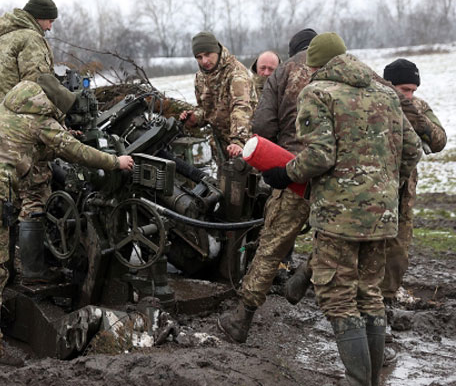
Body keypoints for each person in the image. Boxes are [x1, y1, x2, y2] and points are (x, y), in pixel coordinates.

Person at [260, 33, 421, 386]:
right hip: (382, 215)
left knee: (338, 297)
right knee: (370, 293)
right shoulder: (385, 93)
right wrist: (383, 187)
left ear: (316, 65)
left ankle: (358, 381)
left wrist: (283, 173)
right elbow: (412, 151)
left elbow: (319, 156)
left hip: (339, 218)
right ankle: (372, 380)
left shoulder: (317, 94)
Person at [0, 74, 134, 366]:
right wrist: (115, 162)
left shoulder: (9, 108)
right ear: (53, 105)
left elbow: (27, 143)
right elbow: (76, 153)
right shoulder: (42, 120)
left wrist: (59, 138)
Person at [217, 29, 317, 344]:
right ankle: (306, 272)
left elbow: (261, 126)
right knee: (333, 234)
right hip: (336, 174)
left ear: (292, 52)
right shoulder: (339, 70)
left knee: (271, 244)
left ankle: (241, 318)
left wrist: (275, 160)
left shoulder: (285, 72)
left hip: (293, 171)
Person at [0, 0, 59, 282]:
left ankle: (4, 273)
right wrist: (63, 117)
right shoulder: (30, 39)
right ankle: (35, 272)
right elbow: (40, 86)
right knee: (34, 195)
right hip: (20, 131)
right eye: (49, 20)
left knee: (2, 203)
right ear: (39, 17)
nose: (50, 27)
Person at [380, 59, 447, 303]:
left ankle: (385, 301)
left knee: (398, 250)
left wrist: (414, 116)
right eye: (404, 90)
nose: (409, 95)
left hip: (404, 189)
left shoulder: (417, 107)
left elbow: (439, 140)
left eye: (412, 90)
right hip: (373, 186)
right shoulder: (373, 102)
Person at [180, 31, 257, 162]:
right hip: (221, 145)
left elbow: (242, 108)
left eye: (208, 55)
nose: (204, 61)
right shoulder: (200, 77)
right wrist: (195, 117)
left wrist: (238, 141)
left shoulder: (236, 73)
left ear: (217, 51)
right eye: (199, 57)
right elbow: (205, 109)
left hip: (247, 141)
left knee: (248, 179)